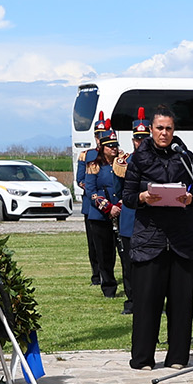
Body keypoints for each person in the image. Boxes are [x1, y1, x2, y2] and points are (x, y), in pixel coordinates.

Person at [120, 106, 193, 369]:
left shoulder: (186, 157)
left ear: (173, 130)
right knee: (147, 303)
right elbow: (127, 196)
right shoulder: (138, 159)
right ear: (151, 129)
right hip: (150, 240)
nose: (164, 133)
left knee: (181, 303)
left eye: (168, 128)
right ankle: (143, 358)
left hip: (181, 240)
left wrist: (190, 198)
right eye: (159, 128)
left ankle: (177, 357)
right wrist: (143, 196)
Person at [79, 120, 122, 298]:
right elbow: (90, 189)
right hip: (99, 214)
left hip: (120, 213)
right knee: (103, 253)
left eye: (115, 145)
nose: (114, 149)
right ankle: (107, 285)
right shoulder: (92, 164)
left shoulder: (122, 163)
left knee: (124, 253)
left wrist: (119, 206)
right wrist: (108, 207)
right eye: (110, 146)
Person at [115, 109, 149, 315]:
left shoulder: (159, 161)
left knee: (151, 266)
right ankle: (132, 301)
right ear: (133, 140)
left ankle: (152, 302)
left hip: (151, 221)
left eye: (144, 138)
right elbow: (118, 191)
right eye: (138, 139)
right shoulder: (123, 163)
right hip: (130, 219)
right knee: (129, 264)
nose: (141, 142)